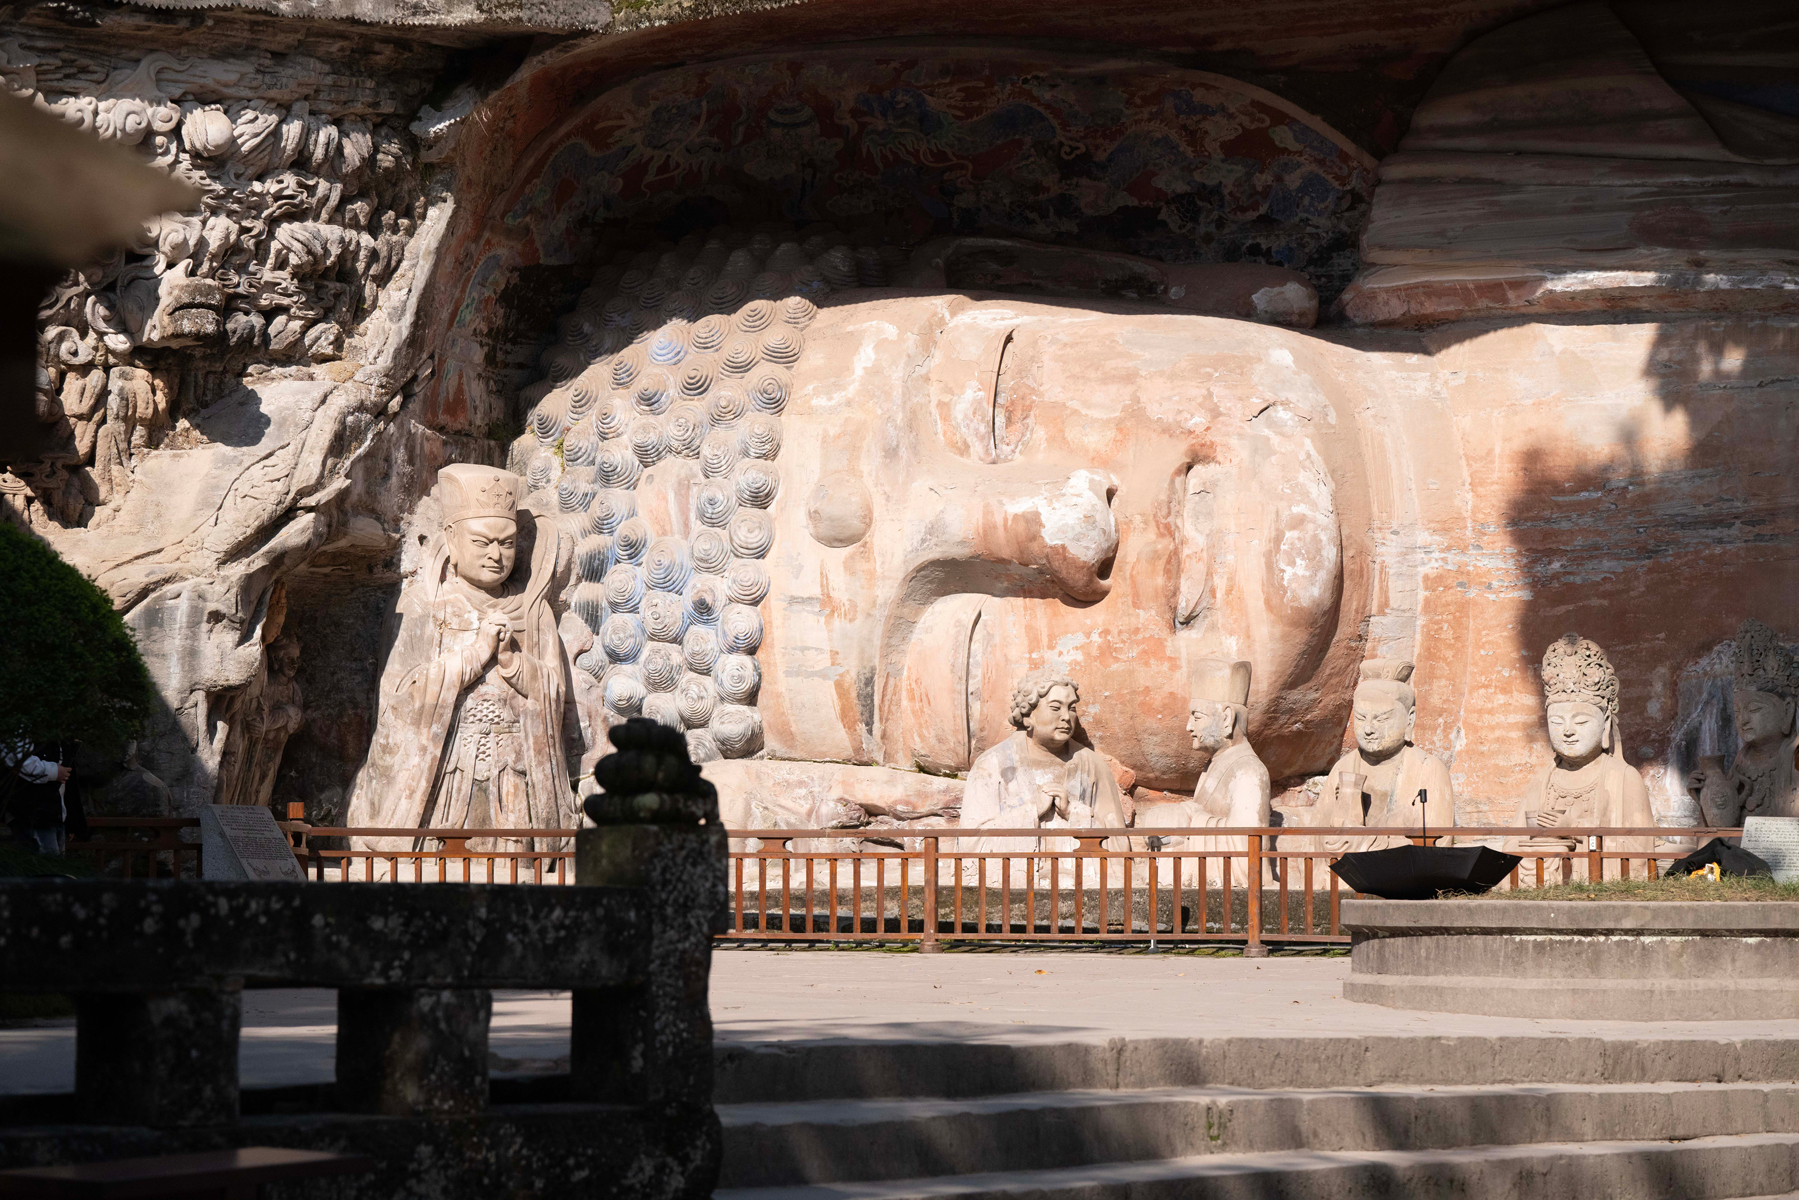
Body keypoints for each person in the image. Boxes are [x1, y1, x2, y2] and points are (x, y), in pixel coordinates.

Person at [346, 465, 579, 854]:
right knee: (432, 861)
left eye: (506, 543)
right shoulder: (425, 606)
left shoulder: (534, 614)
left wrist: (512, 663)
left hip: (513, 765)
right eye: (482, 541)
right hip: (443, 766)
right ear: (452, 540)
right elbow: (398, 698)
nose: (495, 554)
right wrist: (472, 657)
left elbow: (554, 692)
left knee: (513, 863)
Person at [960, 668, 1128, 882]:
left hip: (1080, 887)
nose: (1066, 717)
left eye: (1072, 708)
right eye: (1055, 708)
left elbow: (1120, 845)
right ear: (1028, 715)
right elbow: (971, 844)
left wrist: (1073, 812)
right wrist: (1031, 811)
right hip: (1014, 889)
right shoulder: (992, 764)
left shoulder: (1092, 765)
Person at [1511, 634, 1655, 877]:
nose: (1567, 731)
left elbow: (1639, 851)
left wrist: (1574, 831)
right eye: (1557, 721)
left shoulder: (1624, 779)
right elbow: (1512, 847)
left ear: (1606, 723)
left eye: (1581, 721)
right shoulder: (1541, 782)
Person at [1307, 659, 1455, 853]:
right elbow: (1313, 840)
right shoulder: (1344, 767)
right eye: (1361, 717)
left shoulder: (1428, 769)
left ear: (1409, 720)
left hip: (1400, 875)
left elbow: (1437, 845)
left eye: (1381, 719)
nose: (1368, 729)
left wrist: (1367, 843)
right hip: (1340, 875)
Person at [3, 739, 87, 855]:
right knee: (45, 868)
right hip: (32, 814)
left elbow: (66, 783)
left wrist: (70, 821)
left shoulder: (61, 740)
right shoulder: (31, 731)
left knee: (54, 867)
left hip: (55, 815)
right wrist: (53, 771)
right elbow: (21, 761)